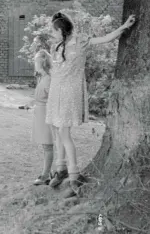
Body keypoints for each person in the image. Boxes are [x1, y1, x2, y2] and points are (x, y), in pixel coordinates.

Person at [45, 12, 136, 198]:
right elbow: (55, 70)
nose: (51, 34)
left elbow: (105, 38)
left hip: (70, 92)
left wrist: (124, 26)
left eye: (53, 30)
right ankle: (60, 168)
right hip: (56, 92)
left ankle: (74, 175)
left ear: (62, 30)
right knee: (57, 130)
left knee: (63, 132)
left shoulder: (81, 42)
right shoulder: (56, 46)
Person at [31, 50, 54, 185]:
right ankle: (48, 172)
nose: (34, 63)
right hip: (39, 113)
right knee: (45, 145)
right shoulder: (41, 77)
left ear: (42, 62)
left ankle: (45, 175)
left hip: (46, 114)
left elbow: (52, 98)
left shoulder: (49, 78)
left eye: (36, 60)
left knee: (48, 145)